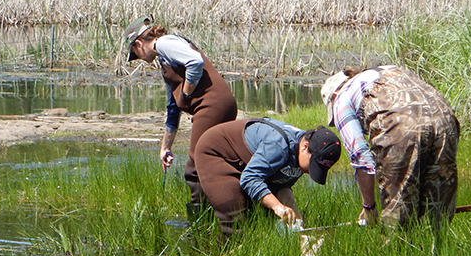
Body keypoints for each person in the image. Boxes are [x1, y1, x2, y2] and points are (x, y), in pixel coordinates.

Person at [124, 17, 237, 217]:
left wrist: (186, 92)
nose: (139, 58)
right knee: (218, 162)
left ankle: (204, 223)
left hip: (212, 106)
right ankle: (230, 213)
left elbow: (195, 62)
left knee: (196, 168)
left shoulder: (165, 43)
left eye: (135, 53)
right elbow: (173, 107)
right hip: (216, 106)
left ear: (139, 43)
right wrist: (165, 146)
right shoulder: (165, 60)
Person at [321, 65, 460, 228]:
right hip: (445, 120)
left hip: (401, 125)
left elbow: (361, 158)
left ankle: (400, 251)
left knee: (397, 221)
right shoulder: (388, 70)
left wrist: (369, 207)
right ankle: (436, 251)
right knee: (438, 217)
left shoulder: (341, 98)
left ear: (333, 95)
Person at [194, 117, 341, 234]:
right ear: (305, 146)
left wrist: (291, 207)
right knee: (236, 217)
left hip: (247, 163)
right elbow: (250, 179)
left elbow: (281, 183)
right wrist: (277, 206)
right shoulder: (279, 146)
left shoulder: (301, 154)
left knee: (264, 220)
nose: (310, 172)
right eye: (312, 165)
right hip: (217, 153)